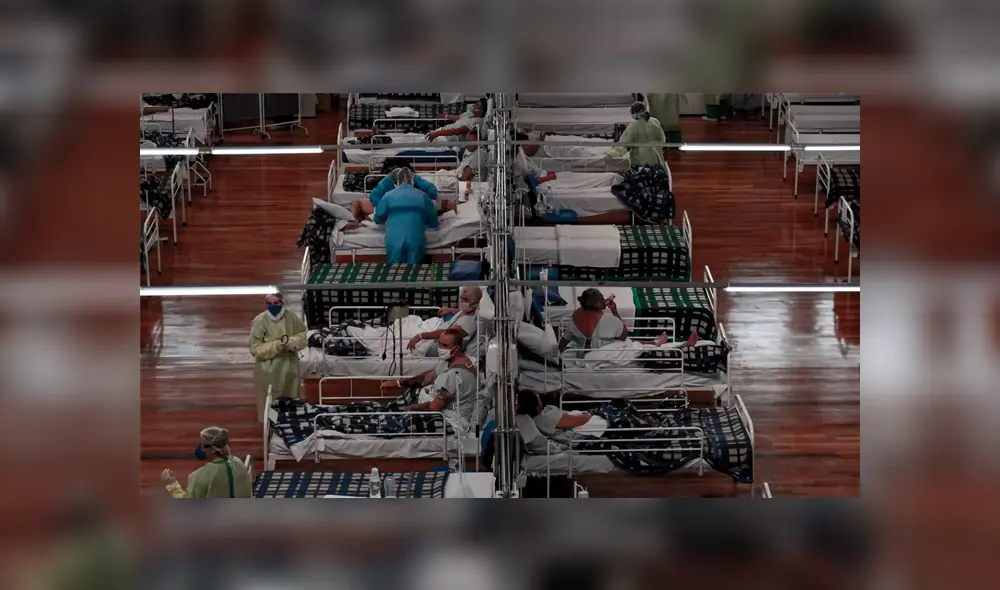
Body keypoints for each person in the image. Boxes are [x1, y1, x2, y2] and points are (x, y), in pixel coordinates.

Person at [382, 330, 487, 429]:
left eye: (444, 345)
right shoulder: (450, 360)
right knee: (399, 403)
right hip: (433, 399)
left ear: (456, 349)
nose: (440, 348)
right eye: (440, 344)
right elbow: (429, 377)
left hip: (451, 419)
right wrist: (399, 383)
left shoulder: (455, 374)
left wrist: (409, 409)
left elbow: (434, 407)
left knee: (403, 421)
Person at [250, 292, 307, 423]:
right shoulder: (259, 321)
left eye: (276, 303)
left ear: (282, 302)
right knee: (270, 397)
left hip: (289, 364)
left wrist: (292, 342)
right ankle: (272, 424)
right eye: (269, 304)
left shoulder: (291, 317)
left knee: (290, 395)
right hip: (269, 367)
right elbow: (255, 349)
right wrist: (277, 346)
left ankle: (289, 422)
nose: (272, 306)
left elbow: (303, 334)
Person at [160, 427, 253, 498]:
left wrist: (172, 485)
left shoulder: (200, 476)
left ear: (213, 449)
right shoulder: (238, 463)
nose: (199, 448)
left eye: (202, 445)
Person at [373, 167, 440, 263]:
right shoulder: (423, 196)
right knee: (414, 273)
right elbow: (434, 223)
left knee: (395, 273)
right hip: (415, 239)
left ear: (397, 182)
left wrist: (388, 178)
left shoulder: (388, 196)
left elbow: (377, 219)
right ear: (412, 181)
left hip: (394, 240)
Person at [408, 285, 483, 357]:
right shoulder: (470, 309)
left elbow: (446, 333)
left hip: (438, 346)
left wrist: (420, 336)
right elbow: (463, 309)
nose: (462, 301)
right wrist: (450, 310)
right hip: (438, 333)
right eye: (461, 297)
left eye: (465, 299)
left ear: (476, 304)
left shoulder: (468, 324)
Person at [559, 288, 629, 355]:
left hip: (582, 358)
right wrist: (614, 311)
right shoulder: (612, 321)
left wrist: (558, 353)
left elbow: (564, 340)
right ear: (597, 304)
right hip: (603, 358)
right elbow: (624, 336)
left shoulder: (575, 319)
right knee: (629, 343)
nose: (604, 300)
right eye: (602, 299)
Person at [607, 101, 666, 167]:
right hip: (657, 158)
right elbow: (662, 140)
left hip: (641, 161)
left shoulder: (633, 127)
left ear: (634, 113)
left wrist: (611, 154)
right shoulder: (655, 122)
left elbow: (623, 145)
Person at [516, 391, 593, 437]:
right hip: (581, 428)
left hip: (577, 419)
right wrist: (590, 414)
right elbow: (580, 421)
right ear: (537, 406)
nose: (538, 395)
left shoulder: (538, 417)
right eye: (537, 396)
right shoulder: (548, 418)